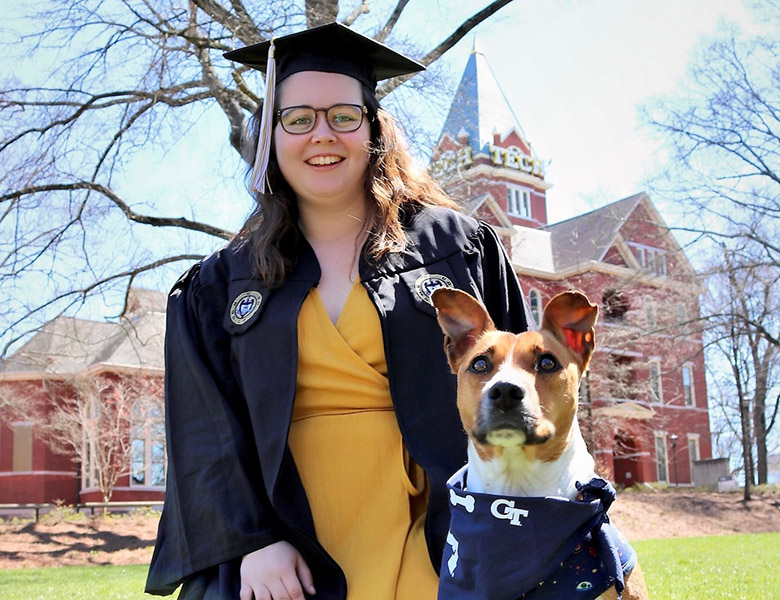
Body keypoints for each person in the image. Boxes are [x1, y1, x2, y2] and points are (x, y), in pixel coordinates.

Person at [146, 22, 529, 600]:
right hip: (285, 548)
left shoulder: (454, 246)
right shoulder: (222, 282)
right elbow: (205, 430)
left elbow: (522, 383)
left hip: (445, 530)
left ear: (374, 129)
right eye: (297, 118)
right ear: (270, 138)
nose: (321, 134)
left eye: (344, 116)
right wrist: (252, 542)